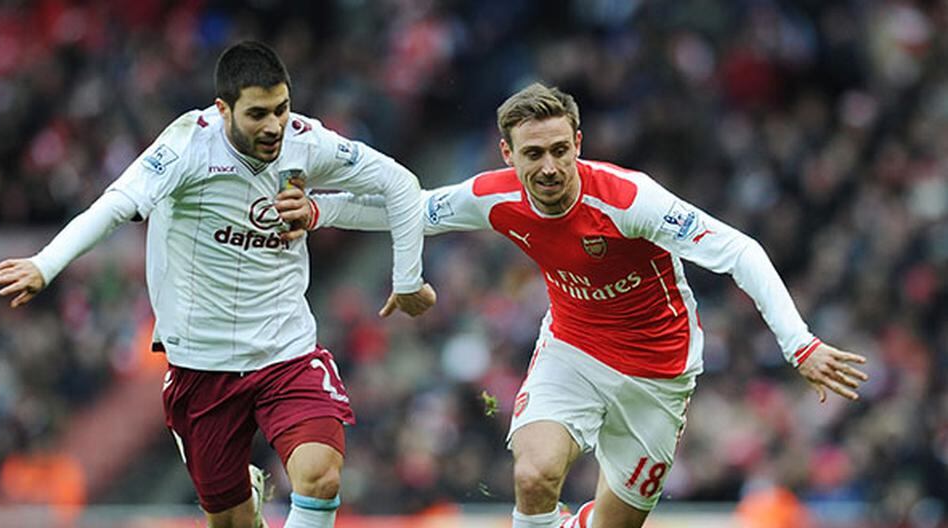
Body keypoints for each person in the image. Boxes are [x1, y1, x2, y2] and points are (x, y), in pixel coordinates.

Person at [286, 83, 869, 528]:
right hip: (573, 348)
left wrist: (801, 343)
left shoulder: (629, 200)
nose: (548, 167)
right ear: (507, 154)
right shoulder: (497, 197)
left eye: (561, 150)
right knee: (535, 474)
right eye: (533, 153)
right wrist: (319, 212)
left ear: (579, 145)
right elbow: (415, 208)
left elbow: (740, 251)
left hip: (660, 372)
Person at [0, 41, 436, 528]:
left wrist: (407, 278)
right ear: (223, 110)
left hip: (285, 349)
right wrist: (45, 265)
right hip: (202, 363)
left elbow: (400, 184)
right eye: (258, 113)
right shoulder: (185, 146)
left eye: (282, 109)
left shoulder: (307, 141)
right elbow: (115, 205)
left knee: (319, 477)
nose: (274, 126)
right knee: (231, 522)